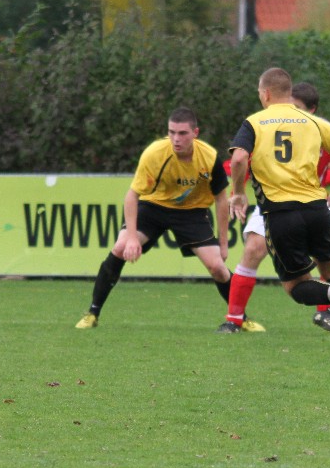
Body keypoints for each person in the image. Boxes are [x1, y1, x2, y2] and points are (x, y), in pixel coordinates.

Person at [225, 68, 330, 345]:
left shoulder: (254, 122)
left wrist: (238, 194)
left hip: (281, 213)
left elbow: (238, 159)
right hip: (317, 210)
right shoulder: (315, 122)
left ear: (266, 94)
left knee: (296, 286)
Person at [76, 108, 238, 329]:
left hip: (191, 212)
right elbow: (132, 196)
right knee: (120, 248)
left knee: (217, 267)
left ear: (195, 133)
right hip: (154, 207)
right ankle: (92, 313)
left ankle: (241, 318)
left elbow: (221, 199)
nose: (176, 139)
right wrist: (131, 238)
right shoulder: (154, 153)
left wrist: (223, 244)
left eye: (182, 133)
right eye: (171, 132)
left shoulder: (209, 157)